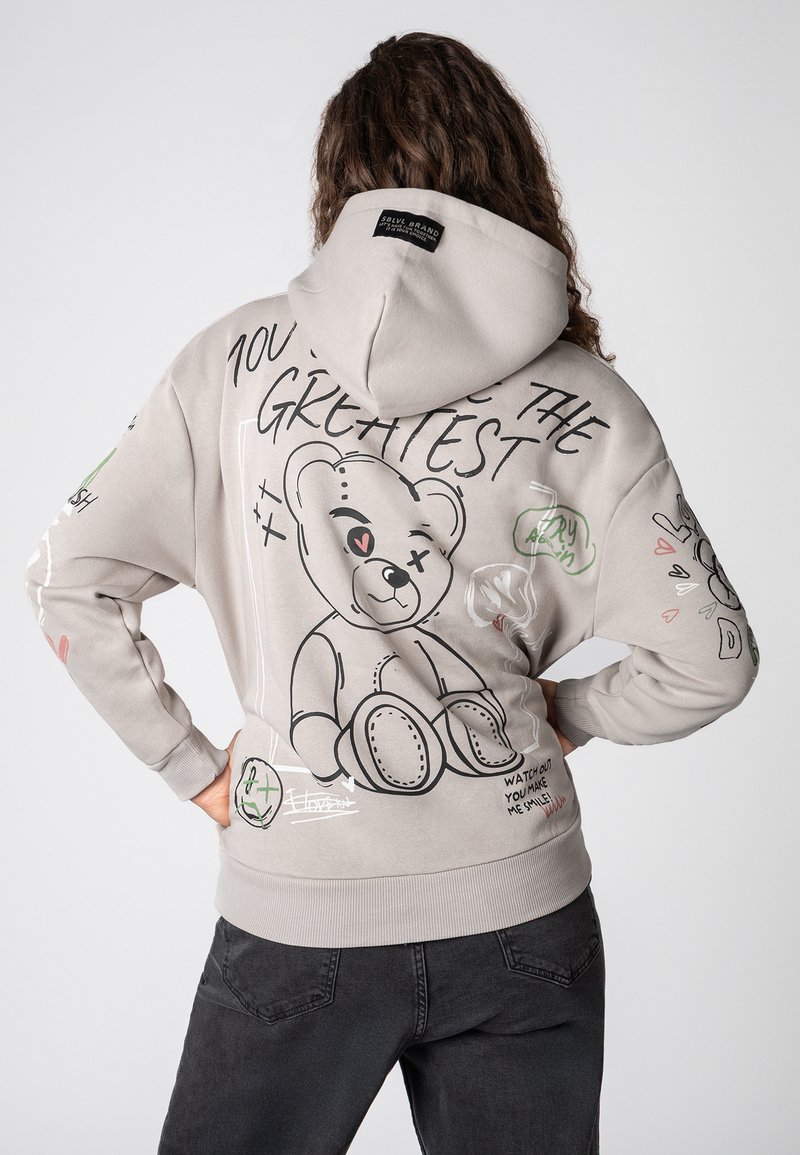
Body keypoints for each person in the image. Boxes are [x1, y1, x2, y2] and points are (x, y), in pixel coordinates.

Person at [24, 30, 760, 1155]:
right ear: (513, 175)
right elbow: (714, 659)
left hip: (298, 901)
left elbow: (67, 576)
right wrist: (565, 713)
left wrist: (195, 769)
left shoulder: (227, 369)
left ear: (338, 187)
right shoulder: (589, 403)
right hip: (521, 915)